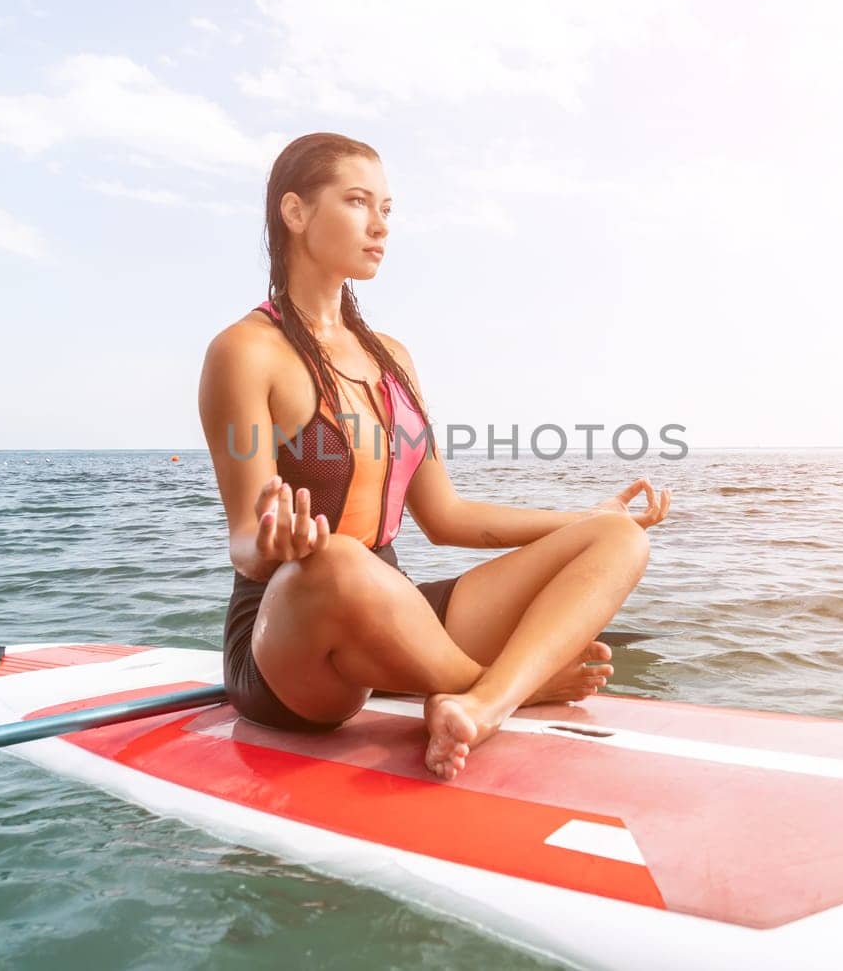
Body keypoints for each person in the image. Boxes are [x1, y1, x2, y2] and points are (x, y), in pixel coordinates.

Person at [197, 132, 671, 780]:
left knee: (618, 540)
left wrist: (583, 519)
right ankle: (515, 686)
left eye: (387, 209)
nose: (380, 225)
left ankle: (480, 703)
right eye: (359, 201)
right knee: (337, 555)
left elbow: (445, 516)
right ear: (295, 211)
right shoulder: (244, 352)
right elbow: (245, 539)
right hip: (287, 645)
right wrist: (278, 545)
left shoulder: (392, 357)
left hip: (392, 611)